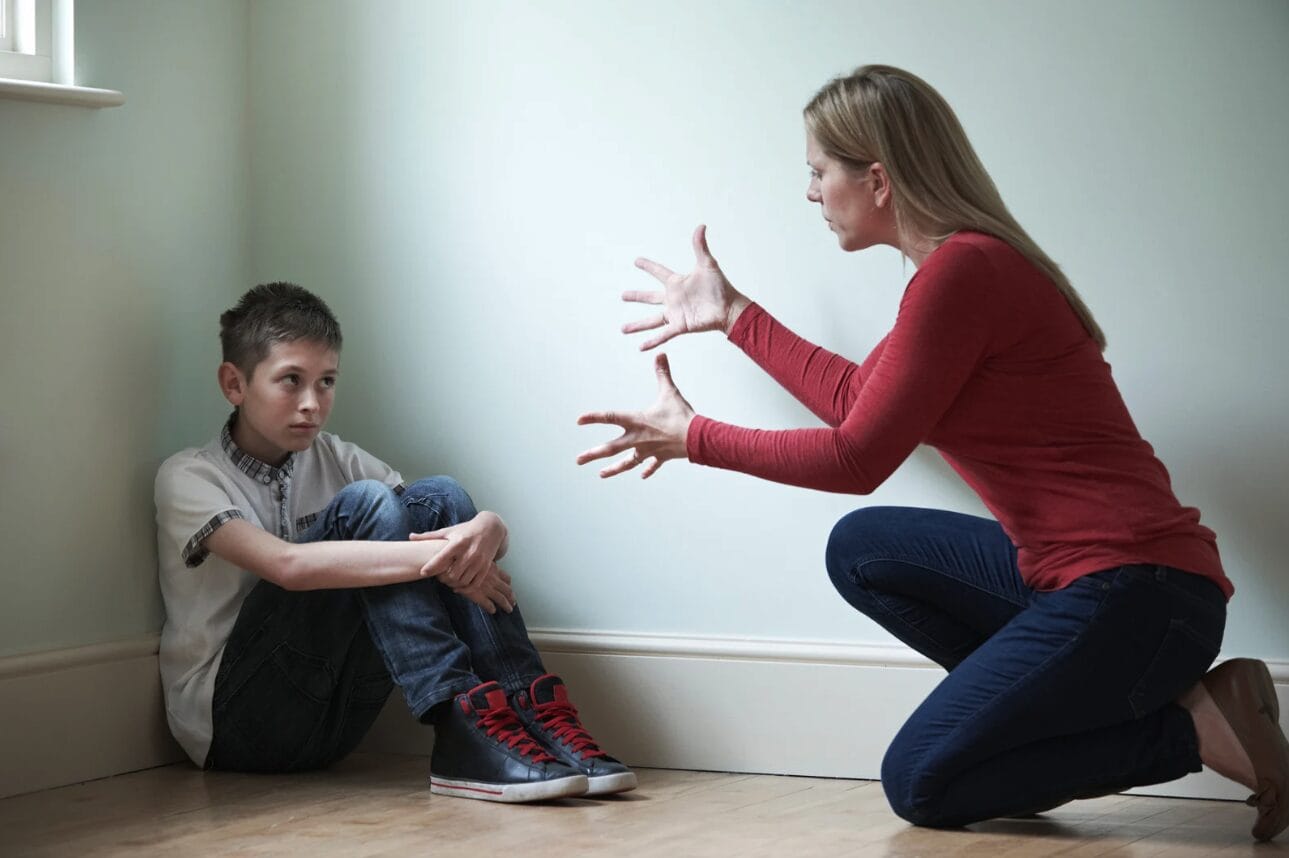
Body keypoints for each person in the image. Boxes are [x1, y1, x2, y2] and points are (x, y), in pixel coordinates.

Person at [576, 64, 1287, 839]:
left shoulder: (964, 273)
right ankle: (1016, 726)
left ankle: (1195, 727)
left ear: (876, 179)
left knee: (921, 783)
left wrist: (698, 439)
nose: (810, 192)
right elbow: (856, 404)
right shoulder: (956, 272)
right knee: (864, 549)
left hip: (1138, 597)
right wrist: (732, 313)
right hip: (1103, 585)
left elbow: (855, 457)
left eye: (817, 172)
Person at [156, 282, 635, 803]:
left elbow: (441, 519)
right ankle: (456, 717)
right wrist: (449, 556)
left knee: (440, 496)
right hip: (237, 726)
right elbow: (287, 566)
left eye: (327, 382)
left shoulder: (335, 456)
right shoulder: (188, 476)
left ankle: (529, 710)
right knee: (368, 504)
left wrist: (491, 527)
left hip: (335, 721)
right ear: (235, 383)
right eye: (290, 381)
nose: (312, 404)